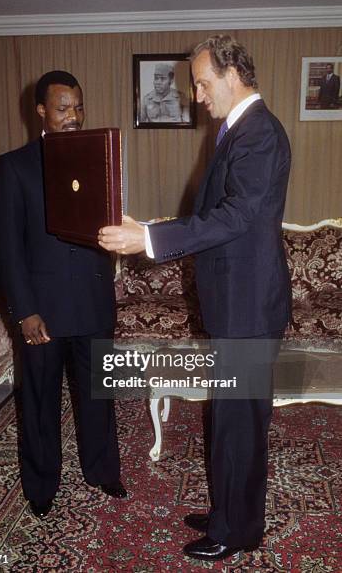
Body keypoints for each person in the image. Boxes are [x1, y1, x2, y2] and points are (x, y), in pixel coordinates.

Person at [98, 35, 292, 561]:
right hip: (235, 302)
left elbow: (236, 216)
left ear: (233, 75)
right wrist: (154, 230)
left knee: (241, 423)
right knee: (227, 416)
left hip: (248, 308)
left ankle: (239, 530)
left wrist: (151, 239)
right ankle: (228, 510)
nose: (198, 96)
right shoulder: (235, 131)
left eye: (203, 84)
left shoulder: (260, 135)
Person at [0, 70, 126, 519]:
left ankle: (103, 470)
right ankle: (41, 484)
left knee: (98, 394)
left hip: (92, 301)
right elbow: (8, 248)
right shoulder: (13, 167)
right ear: (41, 112)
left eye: (79, 106)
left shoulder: (99, 159)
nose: (73, 116)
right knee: (40, 399)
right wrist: (24, 311)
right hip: (42, 311)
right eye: (64, 107)